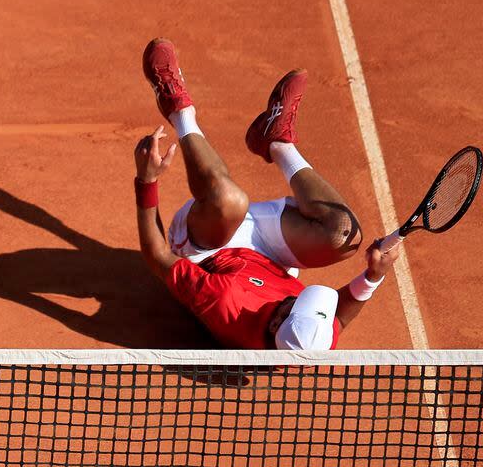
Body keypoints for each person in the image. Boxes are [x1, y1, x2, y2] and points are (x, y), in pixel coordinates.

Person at [134, 38, 400, 350]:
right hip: (271, 256)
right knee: (344, 234)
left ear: (275, 323)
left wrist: (146, 180)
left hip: (207, 248)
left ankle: (178, 109)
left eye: (294, 305)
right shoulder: (310, 338)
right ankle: (276, 140)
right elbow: (337, 319)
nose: (302, 298)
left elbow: (157, 257)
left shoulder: (225, 302)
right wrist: (372, 276)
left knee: (230, 200)